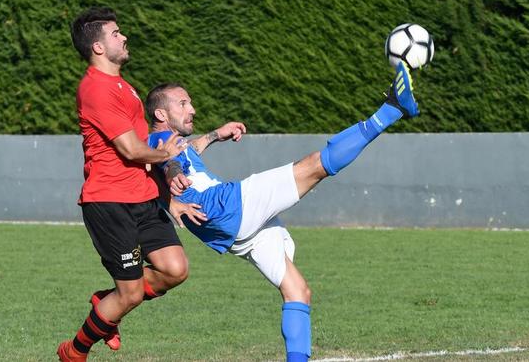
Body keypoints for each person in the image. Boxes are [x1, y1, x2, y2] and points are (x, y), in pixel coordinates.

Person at [145, 61, 419, 362]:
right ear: (161, 114)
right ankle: (392, 109)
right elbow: (166, 161)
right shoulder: (160, 141)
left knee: (298, 291)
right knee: (316, 164)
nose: (192, 108)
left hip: (228, 229)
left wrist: (214, 136)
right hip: (227, 205)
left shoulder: (174, 144)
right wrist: (172, 179)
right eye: (183, 103)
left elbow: (182, 155)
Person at [57, 7, 202, 362]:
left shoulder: (125, 87)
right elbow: (130, 148)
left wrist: (169, 199)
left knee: (175, 269)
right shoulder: (95, 88)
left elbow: (143, 150)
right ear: (98, 48)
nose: (124, 37)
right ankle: (74, 351)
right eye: (116, 33)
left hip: (143, 198)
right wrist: (165, 153)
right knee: (131, 295)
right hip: (109, 203)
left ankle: (106, 301)